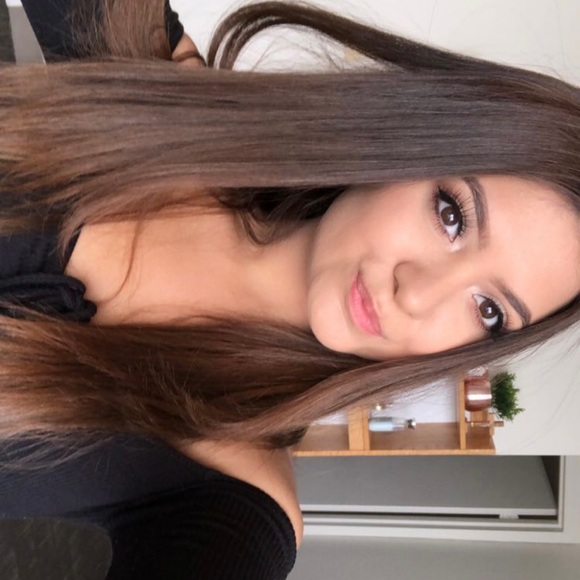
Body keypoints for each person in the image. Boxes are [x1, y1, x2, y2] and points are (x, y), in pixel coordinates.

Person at [0, 0, 578, 578]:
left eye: (488, 310)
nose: (418, 296)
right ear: (410, 139)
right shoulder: (167, 92)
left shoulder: (236, 498)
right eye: (452, 215)